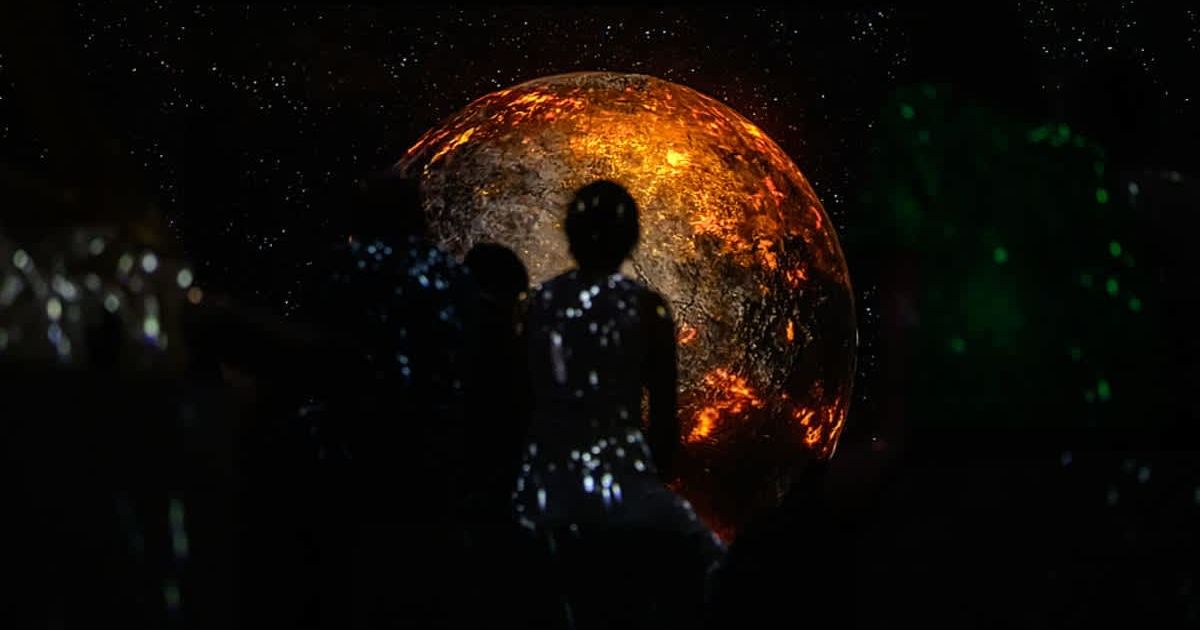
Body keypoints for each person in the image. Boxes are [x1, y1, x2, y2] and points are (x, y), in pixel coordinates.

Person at [513, 180, 724, 628]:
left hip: (544, 485)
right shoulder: (647, 309)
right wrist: (655, 484)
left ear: (570, 234)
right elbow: (664, 418)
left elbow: (520, 396)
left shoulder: (541, 303)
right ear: (632, 237)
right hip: (624, 485)